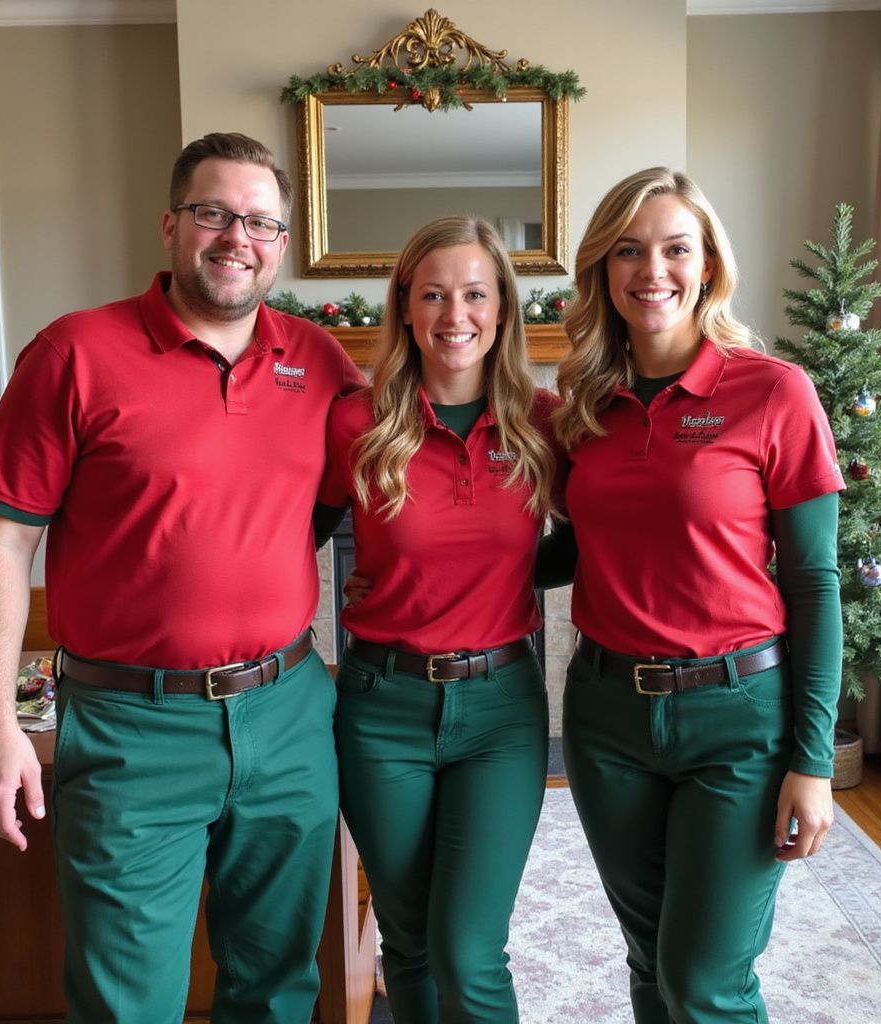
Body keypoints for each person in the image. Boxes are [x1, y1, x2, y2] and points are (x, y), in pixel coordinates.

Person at [0, 132, 365, 1024]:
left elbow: (332, 511)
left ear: (283, 243)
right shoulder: (73, 354)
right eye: (214, 213)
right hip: (130, 728)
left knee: (277, 986)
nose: (237, 238)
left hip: (288, 711)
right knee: (126, 1001)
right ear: (171, 224)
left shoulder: (321, 364)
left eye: (261, 221)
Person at [548, 168, 843, 1023]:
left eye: (677, 248)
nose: (654, 270)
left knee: (706, 980)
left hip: (737, 717)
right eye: (629, 251)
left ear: (709, 263)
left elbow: (816, 585)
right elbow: (572, 549)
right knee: (651, 962)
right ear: (603, 270)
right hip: (606, 719)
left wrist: (813, 761)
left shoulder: (774, 391)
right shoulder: (584, 404)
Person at [317, 216, 558, 1024]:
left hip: (500, 709)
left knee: (469, 950)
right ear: (406, 308)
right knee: (409, 940)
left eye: (475, 294)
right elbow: (286, 540)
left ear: (502, 309)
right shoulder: (357, 425)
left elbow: (604, 547)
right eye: (433, 294)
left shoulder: (546, 424)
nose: (455, 314)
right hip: (381, 705)